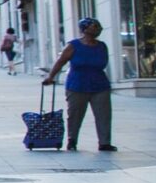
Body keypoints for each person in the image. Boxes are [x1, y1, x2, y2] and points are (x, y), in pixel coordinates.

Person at [43, 17, 115, 152]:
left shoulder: (102, 46)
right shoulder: (73, 46)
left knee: (104, 115)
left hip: (100, 85)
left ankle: (105, 142)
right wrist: (51, 76)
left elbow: (103, 63)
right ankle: (72, 140)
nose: (97, 29)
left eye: (98, 27)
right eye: (94, 26)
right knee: (75, 115)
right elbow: (60, 62)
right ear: (85, 29)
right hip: (77, 85)